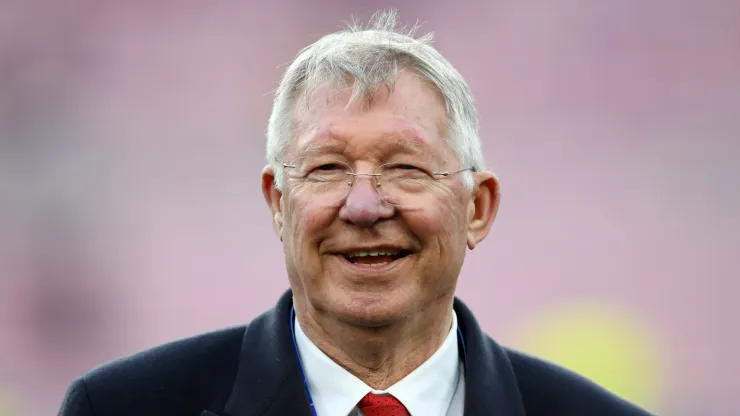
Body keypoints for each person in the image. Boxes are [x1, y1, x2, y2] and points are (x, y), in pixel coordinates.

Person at [58, 10, 652, 416]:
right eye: (326, 168)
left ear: (478, 207)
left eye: (406, 168)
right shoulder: (120, 407)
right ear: (278, 204)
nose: (364, 206)